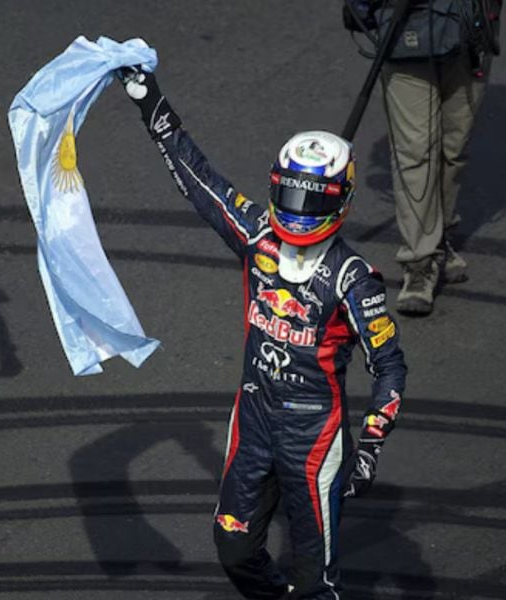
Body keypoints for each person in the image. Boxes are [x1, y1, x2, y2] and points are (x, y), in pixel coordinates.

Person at [120, 69, 407, 599]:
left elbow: (390, 365)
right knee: (234, 550)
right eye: (293, 196)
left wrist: (368, 446)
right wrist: (150, 104)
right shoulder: (258, 236)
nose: (300, 213)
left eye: (314, 199)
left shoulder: (353, 279)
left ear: (340, 201)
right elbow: (202, 183)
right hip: (253, 421)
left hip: (314, 439)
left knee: (315, 580)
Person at [371, 0, 501, 314]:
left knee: (453, 150)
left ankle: (438, 239)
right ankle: (419, 262)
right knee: (415, 152)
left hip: (470, 31)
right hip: (405, 29)